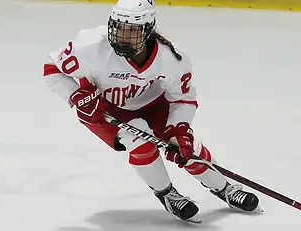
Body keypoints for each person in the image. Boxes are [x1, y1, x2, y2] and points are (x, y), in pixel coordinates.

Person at [41, 0, 262, 223]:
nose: (122, 36)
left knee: (186, 147)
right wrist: (76, 95)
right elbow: (51, 69)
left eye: (132, 30)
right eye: (118, 27)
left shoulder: (172, 59)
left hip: (152, 104)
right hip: (102, 107)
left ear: (147, 30)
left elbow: (183, 98)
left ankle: (224, 188)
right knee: (140, 142)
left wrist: (180, 130)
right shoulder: (89, 46)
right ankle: (167, 193)